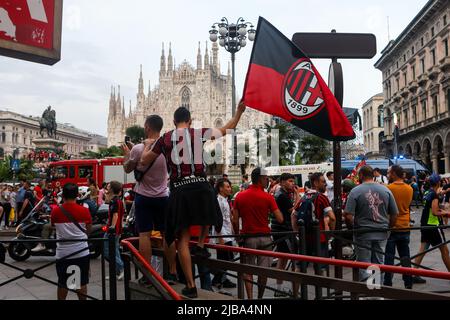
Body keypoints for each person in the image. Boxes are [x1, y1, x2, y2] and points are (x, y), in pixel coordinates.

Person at [140, 101, 246, 298]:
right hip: (201, 187)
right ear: (189, 121)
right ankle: (201, 245)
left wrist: (146, 145)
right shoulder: (198, 133)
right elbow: (226, 129)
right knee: (210, 215)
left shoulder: (165, 139)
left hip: (180, 190)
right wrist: (239, 112)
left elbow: (144, 160)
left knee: (183, 238)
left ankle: (190, 284)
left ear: (173, 121)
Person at [122, 115, 176, 284]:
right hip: (163, 196)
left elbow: (128, 168)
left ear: (147, 128)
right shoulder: (168, 148)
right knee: (167, 235)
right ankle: (172, 272)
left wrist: (128, 154)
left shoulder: (138, 149)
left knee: (144, 235)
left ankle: (147, 274)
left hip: (143, 197)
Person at [232, 167, 284, 300]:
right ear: (261, 179)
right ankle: (259, 298)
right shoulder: (268, 197)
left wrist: (238, 235)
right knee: (263, 272)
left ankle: (250, 298)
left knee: (248, 270)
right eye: (266, 178)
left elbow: (235, 220)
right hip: (265, 238)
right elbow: (280, 218)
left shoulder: (240, 196)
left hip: (248, 238)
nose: (268, 181)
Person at [344, 165, 398, 281]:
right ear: (373, 175)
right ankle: (378, 292)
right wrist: (389, 227)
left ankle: (366, 293)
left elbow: (348, 215)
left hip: (363, 233)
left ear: (361, 175)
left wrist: (353, 228)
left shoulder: (355, 191)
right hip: (381, 231)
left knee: (364, 264)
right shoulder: (385, 190)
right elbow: (394, 214)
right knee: (379, 263)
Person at [51, 183, 92, 300]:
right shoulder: (84, 211)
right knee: (81, 282)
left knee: (63, 282)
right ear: (77, 195)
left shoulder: (56, 211)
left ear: (63, 195)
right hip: (81, 251)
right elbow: (88, 231)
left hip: (63, 253)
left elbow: (53, 226)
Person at [412, 174, 450, 284]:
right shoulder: (434, 195)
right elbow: (435, 212)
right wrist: (446, 213)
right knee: (445, 251)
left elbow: (432, 205)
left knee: (422, 250)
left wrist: (441, 199)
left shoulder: (428, 192)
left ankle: (413, 273)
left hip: (425, 224)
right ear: (438, 183)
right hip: (433, 225)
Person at [292, 172, 336, 260]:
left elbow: (293, 215)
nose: (325, 184)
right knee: (321, 266)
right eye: (323, 182)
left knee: (301, 265)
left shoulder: (304, 197)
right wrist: (331, 233)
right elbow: (332, 217)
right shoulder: (322, 198)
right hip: (320, 237)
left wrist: (297, 232)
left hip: (305, 237)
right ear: (315, 183)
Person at [383, 165, 414, 289]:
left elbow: (387, 208)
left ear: (394, 173)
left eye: (389, 172)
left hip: (392, 225)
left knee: (389, 257)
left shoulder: (388, 188)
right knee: (405, 256)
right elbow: (407, 205)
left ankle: (387, 283)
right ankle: (408, 281)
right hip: (405, 225)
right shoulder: (409, 188)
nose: (388, 174)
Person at [271, 173, 300, 297]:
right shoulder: (281, 195)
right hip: (283, 231)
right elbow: (293, 210)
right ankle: (293, 290)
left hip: (280, 230)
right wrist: (298, 195)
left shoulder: (282, 193)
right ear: (282, 182)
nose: (292, 183)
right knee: (295, 260)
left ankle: (279, 288)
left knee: (282, 260)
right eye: (289, 181)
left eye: (293, 181)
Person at [211, 178, 236, 289]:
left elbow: (227, 218)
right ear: (220, 188)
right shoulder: (219, 200)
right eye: (227, 187)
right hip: (222, 235)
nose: (229, 189)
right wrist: (220, 237)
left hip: (227, 234)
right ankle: (217, 278)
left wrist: (233, 231)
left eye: (230, 186)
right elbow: (217, 220)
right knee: (225, 259)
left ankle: (222, 279)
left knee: (228, 258)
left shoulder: (225, 200)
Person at [103, 181, 125, 280]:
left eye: (109, 186)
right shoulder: (118, 200)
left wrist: (112, 227)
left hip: (113, 230)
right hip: (118, 229)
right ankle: (117, 272)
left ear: (112, 189)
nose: (107, 186)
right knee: (115, 251)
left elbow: (115, 215)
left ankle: (121, 267)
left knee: (108, 252)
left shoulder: (114, 201)